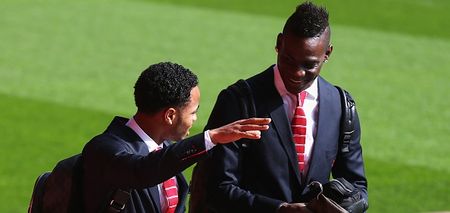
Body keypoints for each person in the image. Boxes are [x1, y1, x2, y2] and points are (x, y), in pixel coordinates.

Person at [192, 2, 368, 213]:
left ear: (327, 53)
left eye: (309, 64)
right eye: (289, 60)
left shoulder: (341, 105)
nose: (297, 73)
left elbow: (357, 187)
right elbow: (217, 187)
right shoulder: (238, 101)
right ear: (279, 43)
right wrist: (280, 209)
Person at [81, 62, 271, 213]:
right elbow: (143, 169)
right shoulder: (104, 149)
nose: (195, 119)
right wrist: (211, 138)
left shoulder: (167, 154)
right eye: (193, 113)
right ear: (170, 115)